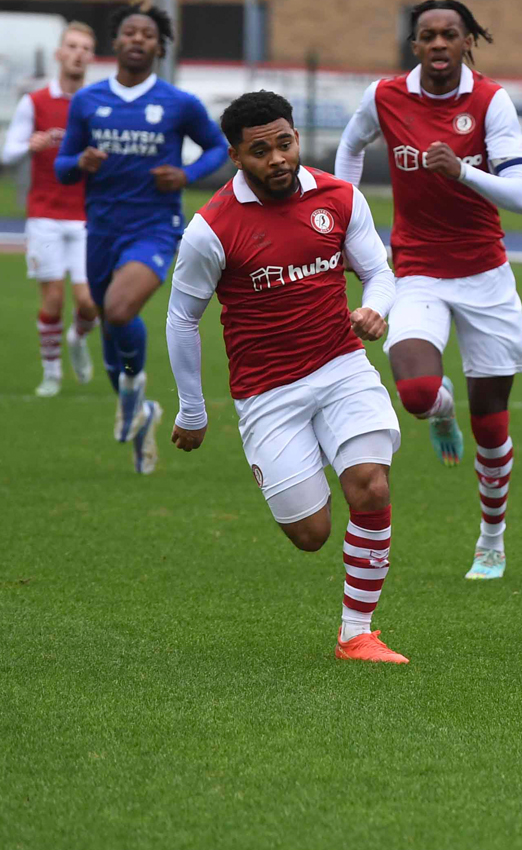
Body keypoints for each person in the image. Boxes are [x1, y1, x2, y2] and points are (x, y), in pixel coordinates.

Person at [166, 91, 408, 663]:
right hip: (267, 393)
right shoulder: (212, 228)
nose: (276, 158)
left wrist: (377, 307)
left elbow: (379, 271)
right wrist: (193, 410)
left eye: (284, 143)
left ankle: (357, 635)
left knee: (370, 483)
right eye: (259, 150)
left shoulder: (340, 198)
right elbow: (181, 319)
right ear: (234, 156)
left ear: (296, 136)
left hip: (342, 364)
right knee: (311, 534)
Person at [334, 0, 522, 582]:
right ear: (415, 45)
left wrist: (463, 172)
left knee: (492, 426)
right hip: (417, 270)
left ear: (469, 40)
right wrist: (347, 221)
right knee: (419, 393)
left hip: (486, 277)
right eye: (429, 35)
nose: (440, 43)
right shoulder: (386, 97)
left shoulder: (491, 101)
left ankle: (491, 540)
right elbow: (350, 148)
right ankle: (441, 407)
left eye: (452, 33)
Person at [55, 3, 230, 474]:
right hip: (102, 230)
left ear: (159, 45)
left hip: (155, 227)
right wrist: (80, 164)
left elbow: (217, 145)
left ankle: (133, 392)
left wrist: (187, 174)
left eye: (146, 34)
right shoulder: (88, 101)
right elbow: (62, 166)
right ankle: (140, 407)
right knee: (112, 331)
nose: (137, 39)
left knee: (117, 309)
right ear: (116, 42)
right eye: (129, 32)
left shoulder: (179, 103)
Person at [3, 22, 100, 396]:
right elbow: (8, 151)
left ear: (91, 57)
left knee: (90, 302)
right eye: (71, 46)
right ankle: (52, 373)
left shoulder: (94, 103)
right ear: (60, 53)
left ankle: (77, 339)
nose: (77, 53)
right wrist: (32, 144)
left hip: (86, 216)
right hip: (44, 214)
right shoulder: (36, 102)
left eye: (84, 48)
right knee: (53, 298)